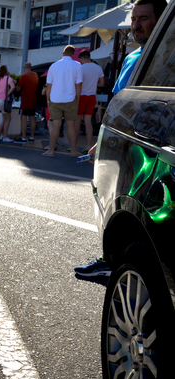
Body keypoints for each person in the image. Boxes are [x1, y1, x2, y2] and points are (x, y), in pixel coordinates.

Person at [76, 0, 167, 278]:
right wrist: (102, 138)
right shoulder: (131, 57)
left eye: (144, 18)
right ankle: (111, 257)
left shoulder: (164, 58)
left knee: (148, 207)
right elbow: (119, 99)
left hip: (151, 139)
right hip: (122, 134)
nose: (136, 25)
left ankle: (144, 267)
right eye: (134, 19)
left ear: (161, 21)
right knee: (112, 196)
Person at [43, 45, 82, 157]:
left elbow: (49, 86)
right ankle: (74, 151)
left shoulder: (53, 66)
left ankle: (50, 150)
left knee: (56, 125)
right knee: (70, 126)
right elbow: (79, 85)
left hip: (55, 99)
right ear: (73, 54)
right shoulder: (77, 65)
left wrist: (48, 100)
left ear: (63, 53)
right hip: (70, 99)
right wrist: (77, 100)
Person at [74, 50, 104, 149]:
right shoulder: (98, 68)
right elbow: (102, 84)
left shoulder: (80, 68)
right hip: (92, 96)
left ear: (82, 58)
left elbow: (78, 83)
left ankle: (73, 145)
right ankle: (88, 145)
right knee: (88, 121)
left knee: (77, 120)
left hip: (82, 96)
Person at [14, 62, 39, 143]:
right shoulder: (35, 75)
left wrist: (15, 83)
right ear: (31, 68)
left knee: (23, 118)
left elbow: (18, 89)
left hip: (25, 101)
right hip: (33, 100)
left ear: (24, 68)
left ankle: (24, 137)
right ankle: (32, 137)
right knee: (32, 119)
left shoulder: (24, 76)